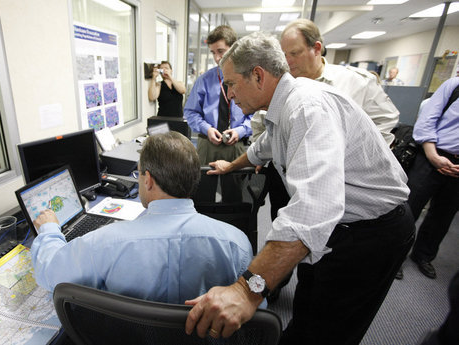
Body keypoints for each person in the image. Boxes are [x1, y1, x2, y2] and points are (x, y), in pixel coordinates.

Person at [184, 32, 415, 345]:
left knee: (329, 331)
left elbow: (313, 208)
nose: (229, 95)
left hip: (371, 233)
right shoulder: (283, 105)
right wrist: (230, 166)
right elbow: (263, 147)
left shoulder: (307, 108)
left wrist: (245, 290)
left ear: (258, 75)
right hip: (338, 228)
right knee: (308, 307)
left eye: (231, 84)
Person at [30, 131, 253, 304]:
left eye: (138, 174)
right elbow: (249, 312)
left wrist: (49, 230)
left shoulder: (103, 243)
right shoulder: (238, 243)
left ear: (148, 180)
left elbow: (50, 274)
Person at [280, 19, 399, 146]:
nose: (288, 61)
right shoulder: (285, 86)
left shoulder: (356, 82)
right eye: (285, 55)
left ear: (316, 48)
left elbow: (386, 120)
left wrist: (362, 155)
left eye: (295, 53)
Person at [184, 25, 252, 202]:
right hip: (208, 143)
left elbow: (255, 115)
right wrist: (206, 128)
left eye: (221, 51)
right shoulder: (205, 80)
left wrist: (241, 131)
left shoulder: (247, 78)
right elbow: (190, 112)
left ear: (234, 48)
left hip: (236, 143)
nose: (216, 57)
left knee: (234, 194)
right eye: (213, 52)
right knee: (202, 193)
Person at [402, 77, 459, 279]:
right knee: (410, 208)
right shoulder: (454, 86)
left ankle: (423, 255)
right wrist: (434, 156)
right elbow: (427, 120)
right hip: (431, 155)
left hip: (457, 168)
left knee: (443, 215)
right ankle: (396, 255)